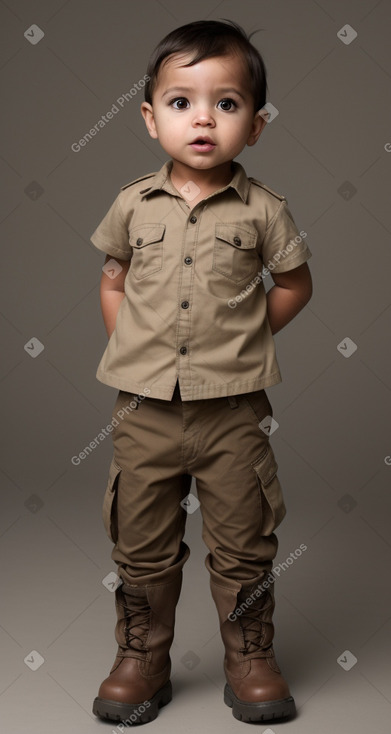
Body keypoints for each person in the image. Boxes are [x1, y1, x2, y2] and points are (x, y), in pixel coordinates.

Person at [90, 18, 312, 726]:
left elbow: (294, 285)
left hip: (232, 414)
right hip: (143, 411)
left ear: (256, 124)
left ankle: (250, 655)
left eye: (227, 102)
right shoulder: (132, 202)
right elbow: (114, 279)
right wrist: (131, 349)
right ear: (152, 118)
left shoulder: (265, 210)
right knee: (140, 540)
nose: (203, 119)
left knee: (244, 539)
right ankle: (140, 658)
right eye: (182, 102)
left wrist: (245, 339)